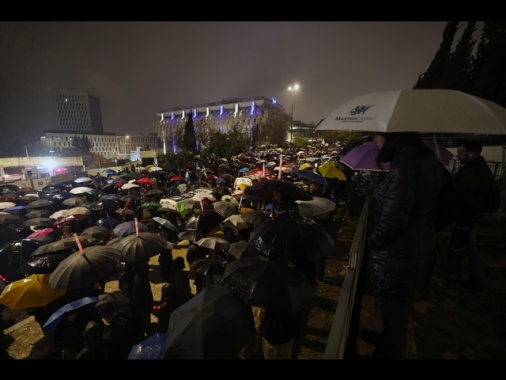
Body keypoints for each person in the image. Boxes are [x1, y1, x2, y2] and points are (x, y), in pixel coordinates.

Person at [367, 132, 446, 359]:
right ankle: (387, 342)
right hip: (416, 248)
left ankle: (389, 351)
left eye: (377, 135)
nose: (375, 141)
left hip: (399, 257)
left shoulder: (404, 164)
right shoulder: (427, 158)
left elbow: (393, 220)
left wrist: (372, 242)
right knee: (395, 313)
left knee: (395, 315)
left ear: (393, 136)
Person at [445, 139, 495, 291]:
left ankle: (475, 281)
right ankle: (473, 279)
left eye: (460, 152)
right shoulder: (475, 169)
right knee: (468, 246)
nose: (457, 155)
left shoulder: (474, 172)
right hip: (469, 215)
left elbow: (466, 195)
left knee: (469, 247)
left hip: (468, 216)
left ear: (471, 154)